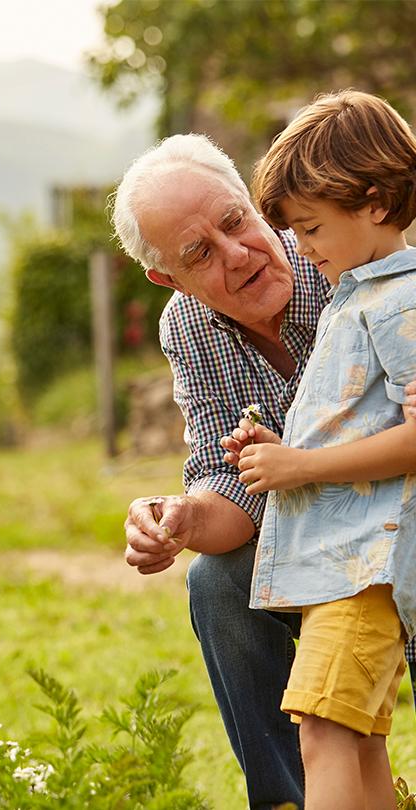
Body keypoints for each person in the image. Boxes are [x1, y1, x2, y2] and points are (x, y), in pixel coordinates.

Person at [111, 126, 416, 808]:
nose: (240, 253)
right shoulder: (187, 327)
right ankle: (287, 799)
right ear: (168, 277)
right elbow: (233, 486)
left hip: (400, 522)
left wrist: (300, 462)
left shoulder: (347, 254)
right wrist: (185, 517)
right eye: (200, 253)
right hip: (328, 538)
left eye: (235, 221)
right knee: (217, 581)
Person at [220, 90, 416, 810]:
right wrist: (284, 449)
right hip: (346, 561)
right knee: (353, 739)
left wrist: (300, 467)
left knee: (325, 733)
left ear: (371, 202)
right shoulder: (358, 293)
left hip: (363, 565)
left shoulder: (400, 299)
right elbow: (366, 427)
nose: (300, 249)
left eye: (309, 227)